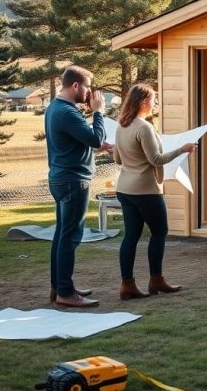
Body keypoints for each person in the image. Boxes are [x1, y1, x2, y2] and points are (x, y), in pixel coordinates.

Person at [113, 83, 197, 300]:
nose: (154, 104)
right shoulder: (143, 127)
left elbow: (117, 159)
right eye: (153, 100)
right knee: (160, 232)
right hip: (146, 190)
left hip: (124, 188)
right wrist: (182, 149)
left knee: (131, 236)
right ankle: (156, 280)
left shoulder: (121, 126)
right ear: (144, 102)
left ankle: (127, 284)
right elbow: (156, 160)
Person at [45, 66, 112, 307]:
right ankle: (65, 293)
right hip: (74, 180)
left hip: (60, 178)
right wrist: (98, 112)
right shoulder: (68, 112)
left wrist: (96, 143)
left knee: (62, 234)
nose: (89, 93)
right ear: (75, 86)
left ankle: (60, 286)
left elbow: (82, 139)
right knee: (71, 237)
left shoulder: (55, 107)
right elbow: (94, 138)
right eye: (86, 87)